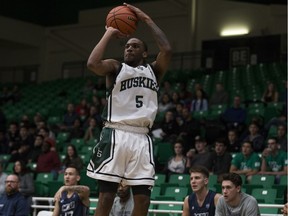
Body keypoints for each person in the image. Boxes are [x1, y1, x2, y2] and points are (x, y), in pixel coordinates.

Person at [86, 3, 172, 216]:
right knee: (106, 197)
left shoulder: (154, 70)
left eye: (135, 46)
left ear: (145, 52)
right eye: (127, 46)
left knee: (143, 200)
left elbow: (167, 50)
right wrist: (110, 32)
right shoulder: (116, 68)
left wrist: (146, 19)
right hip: (116, 133)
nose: (129, 48)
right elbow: (92, 63)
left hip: (142, 137)